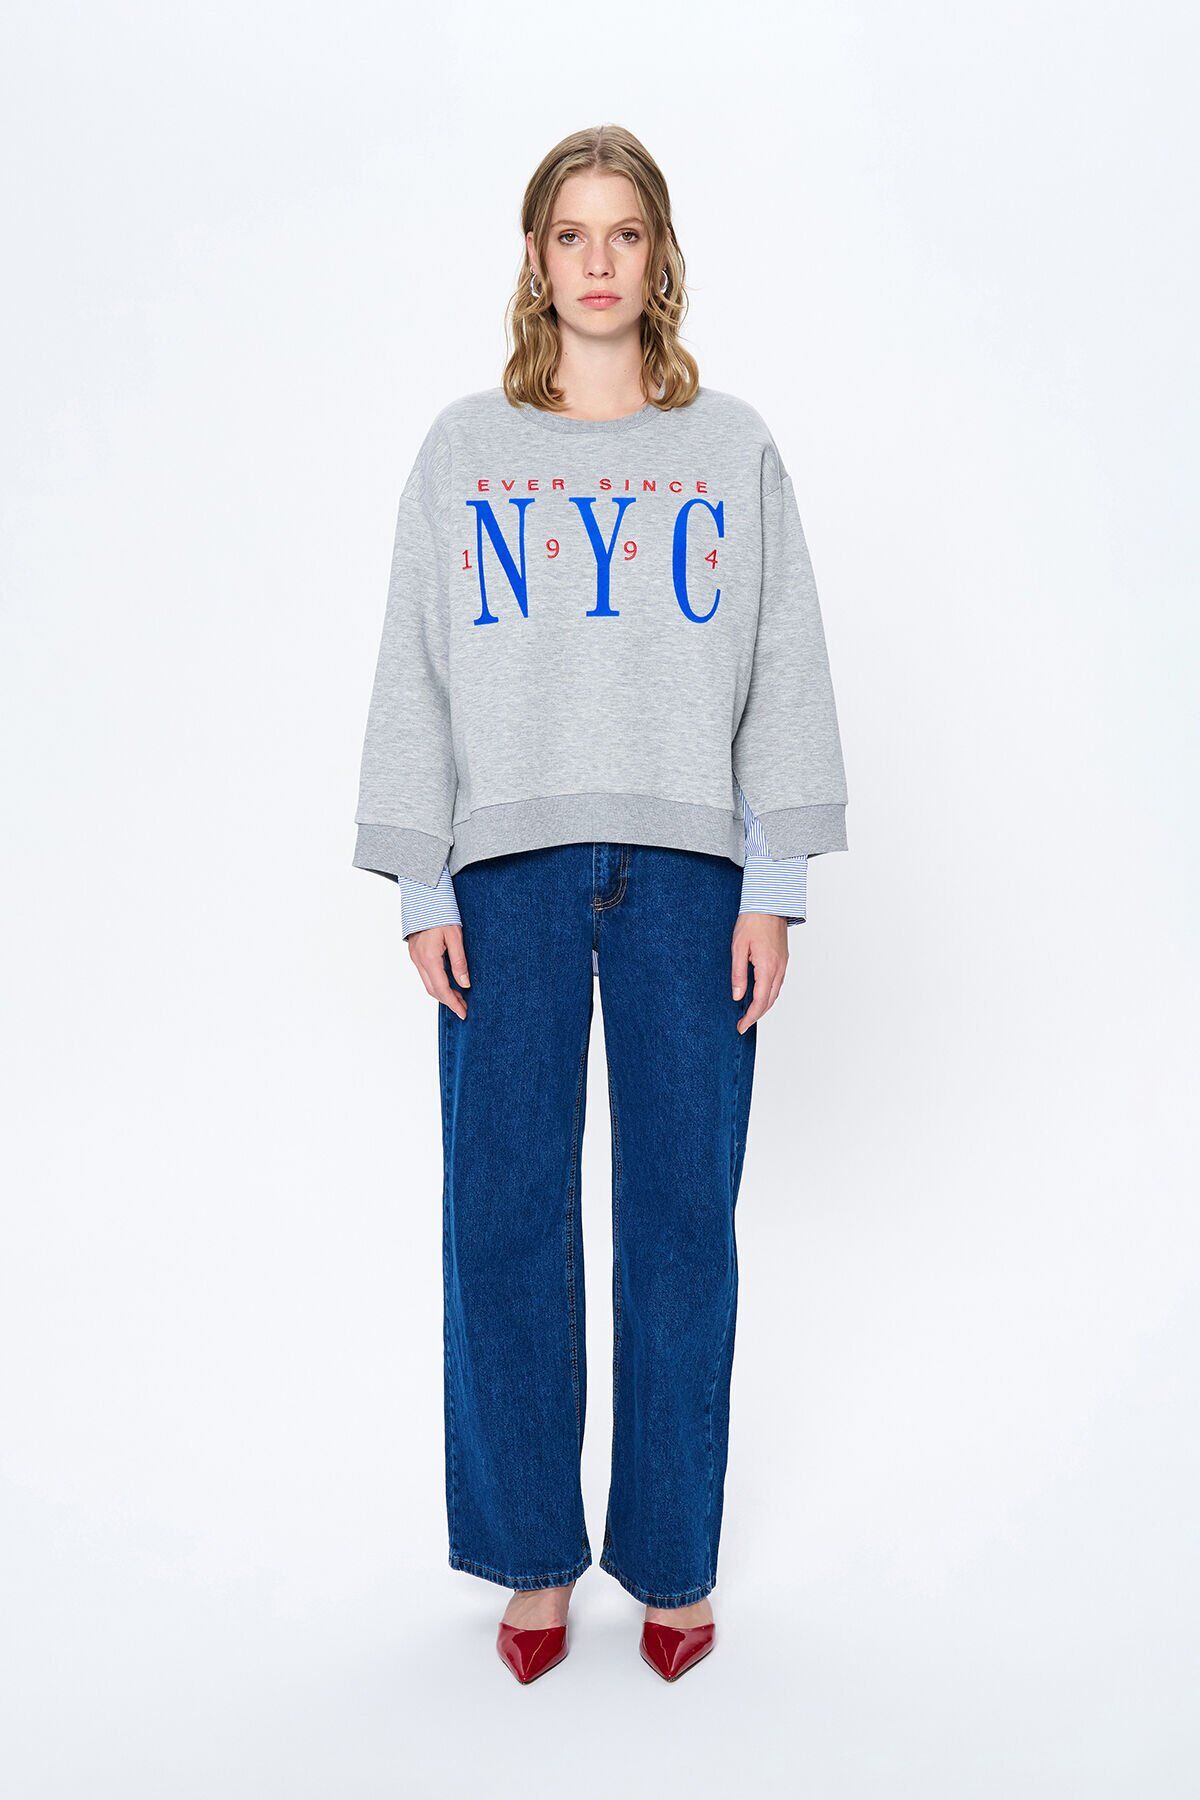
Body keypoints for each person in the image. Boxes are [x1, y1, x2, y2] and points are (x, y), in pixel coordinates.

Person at [352, 124, 848, 1684]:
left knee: (681, 1221)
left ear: (660, 256)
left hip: (688, 880)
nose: (598, 261)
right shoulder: (462, 450)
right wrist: (422, 879)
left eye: (624, 233)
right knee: (503, 1214)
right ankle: (531, 1555)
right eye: (572, 233)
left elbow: (779, 666)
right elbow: (418, 669)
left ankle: (673, 1556)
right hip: (503, 879)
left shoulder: (732, 448)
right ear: (535, 258)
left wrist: (772, 884)